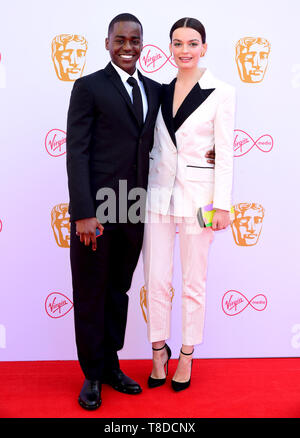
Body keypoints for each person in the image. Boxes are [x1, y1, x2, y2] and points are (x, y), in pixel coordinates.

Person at [67, 13, 215, 410]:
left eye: (135, 40)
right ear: (107, 43)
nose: (128, 47)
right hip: (96, 213)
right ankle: (92, 375)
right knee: (91, 292)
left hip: (135, 210)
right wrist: (83, 211)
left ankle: (112, 365)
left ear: (143, 45)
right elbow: (76, 151)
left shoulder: (154, 89)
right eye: (120, 40)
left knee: (119, 291)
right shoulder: (88, 87)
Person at [143, 17, 236, 392]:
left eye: (192, 43)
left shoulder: (222, 91)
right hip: (156, 196)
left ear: (204, 47)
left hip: (200, 199)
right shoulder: (158, 91)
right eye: (178, 43)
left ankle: (186, 353)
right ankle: (157, 350)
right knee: (156, 279)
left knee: (194, 281)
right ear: (170, 48)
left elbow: (226, 154)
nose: (185, 50)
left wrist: (223, 206)